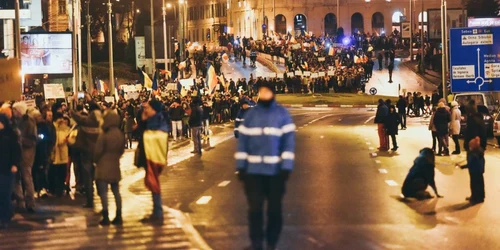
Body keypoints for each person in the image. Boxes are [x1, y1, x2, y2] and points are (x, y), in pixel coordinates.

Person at [235, 82, 296, 250]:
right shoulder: (251, 116)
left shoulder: (282, 115)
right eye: (261, 91)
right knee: (255, 210)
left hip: (276, 173)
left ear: (273, 93)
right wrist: (241, 166)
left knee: (274, 211)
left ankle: (271, 242)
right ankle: (256, 243)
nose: (264, 94)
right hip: (253, 173)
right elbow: (243, 143)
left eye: (267, 91)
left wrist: (286, 167)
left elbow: (288, 144)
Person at [136, 99, 169, 225]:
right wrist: (143, 121)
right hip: (149, 156)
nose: (145, 110)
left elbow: (155, 137)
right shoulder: (151, 121)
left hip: (154, 157)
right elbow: (140, 133)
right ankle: (156, 212)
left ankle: (158, 213)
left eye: (147, 108)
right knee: (153, 184)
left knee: (154, 184)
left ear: (154, 109)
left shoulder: (158, 121)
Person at [94, 111, 125, 225]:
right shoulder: (120, 134)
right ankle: (118, 215)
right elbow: (122, 150)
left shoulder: (104, 135)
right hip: (115, 165)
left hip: (102, 166)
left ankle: (106, 216)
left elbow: (97, 151)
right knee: (116, 191)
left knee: (103, 193)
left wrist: (95, 160)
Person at [71, 101, 103, 208]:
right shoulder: (103, 121)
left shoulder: (88, 121)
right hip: (99, 154)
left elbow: (77, 117)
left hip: (87, 153)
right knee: (99, 177)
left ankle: (90, 201)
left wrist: (71, 107)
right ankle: (103, 198)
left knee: (88, 178)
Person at [12, 102, 37, 213]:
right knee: (17, 179)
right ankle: (20, 201)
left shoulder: (29, 122)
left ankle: (30, 202)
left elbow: (32, 139)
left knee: (27, 178)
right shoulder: (15, 121)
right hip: (17, 154)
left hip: (26, 154)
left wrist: (20, 139)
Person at [0, 114, 21, 229]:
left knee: (5, 193)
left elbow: (16, 150)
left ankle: (5, 216)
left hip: (7, 168)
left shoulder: (10, 134)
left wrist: (14, 164)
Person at [48, 113, 70, 197]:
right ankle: (54, 188)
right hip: (55, 153)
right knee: (54, 171)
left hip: (62, 153)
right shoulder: (53, 127)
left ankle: (60, 188)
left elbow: (64, 139)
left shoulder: (65, 129)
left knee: (62, 172)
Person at [460, 137, 485, 204]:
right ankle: (481, 197)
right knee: (480, 184)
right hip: (479, 171)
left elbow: (470, 164)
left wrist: (462, 166)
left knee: (474, 185)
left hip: (474, 172)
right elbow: (482, 162)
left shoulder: (473, 154)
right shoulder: (480, 151)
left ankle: (475, 198)